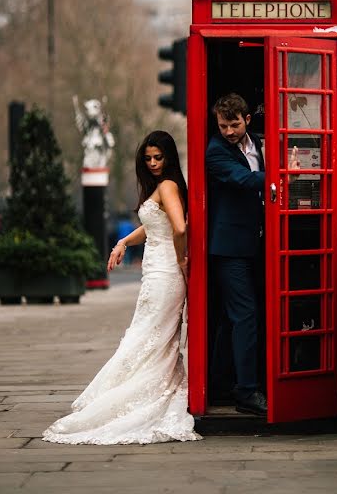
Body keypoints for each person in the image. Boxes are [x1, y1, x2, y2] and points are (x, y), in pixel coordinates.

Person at [42, 131, 201, 445]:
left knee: (149, 336)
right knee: (149, 336)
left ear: (170, 157)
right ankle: (137, 392)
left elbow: (180, 226)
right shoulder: (163, 187)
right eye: (148, 158)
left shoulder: (167, 186)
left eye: (159, 157)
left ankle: (132, 396)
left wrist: (182, 259)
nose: (154, 163)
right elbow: (157, 224)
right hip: (156, 272)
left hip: (166, 274)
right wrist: (124, 242)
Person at [206, 93, 268, 416]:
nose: (228, 131)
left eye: (233, 124)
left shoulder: (256, 142)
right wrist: (282, 176)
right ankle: (246, 392)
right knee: (244, 316)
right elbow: (243, 180)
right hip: (228, 248)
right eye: (222, 125)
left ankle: (222, 381)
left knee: (243, 317)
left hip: (255, 244)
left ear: (247, 119)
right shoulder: (215, 152)